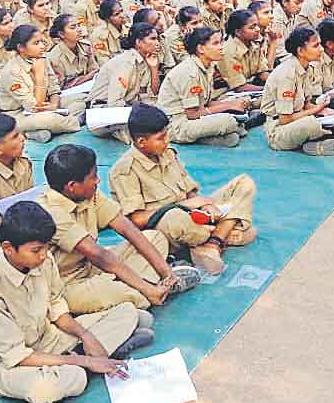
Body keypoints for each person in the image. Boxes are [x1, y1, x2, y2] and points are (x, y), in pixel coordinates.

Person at [0, 201, 150, 403]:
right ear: (8, 249)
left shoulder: (43, 258)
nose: (44, 255)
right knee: (49, 386)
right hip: (5, 364)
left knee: (130, 313)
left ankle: (86, 357)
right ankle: (89, 362)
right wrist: (82, 360)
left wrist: (85, 335)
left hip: (47, 338)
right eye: (36, 250)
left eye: (47, 247)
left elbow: (56, 306)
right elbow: (17, 355)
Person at [35, 144, 199, 315]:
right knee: (133, 294)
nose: (98, 181)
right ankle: (148, 290)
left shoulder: (88, 193)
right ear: (72, 186)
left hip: (91, 267)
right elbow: (98, 255)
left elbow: (128, 230)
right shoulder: (50, 211)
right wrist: (146, 288)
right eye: (93, 177)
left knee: (154, 238)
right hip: (67, 284)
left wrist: (166, 271)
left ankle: (156, 285)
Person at [109, 104, 257, 275]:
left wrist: (206, 206)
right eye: (161, 137)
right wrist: (186, 205)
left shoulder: (168, 154)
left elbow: (190, 191)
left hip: (194, 217)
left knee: (244, 183)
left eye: (167, 134)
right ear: (142, 142)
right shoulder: (124, 171)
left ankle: (211, 243)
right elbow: (136, 220)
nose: (167, 140)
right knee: (176, 218)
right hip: (166, 228)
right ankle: (222, 234)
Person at [261, 28, 334, 156]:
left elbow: (306, 103)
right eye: (316, 46)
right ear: (300, 51)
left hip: (297, 117)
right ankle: (324, 137)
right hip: (279, 129)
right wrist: (317, 109)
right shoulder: (287, 74)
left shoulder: (307, 67)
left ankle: (318, 140)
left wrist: (324, 111)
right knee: (311, 124)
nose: (322, 49)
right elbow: (285, 119)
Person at [0, 25, 82, 143]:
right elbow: (34, 107)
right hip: (17, 114)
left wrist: (54, 104)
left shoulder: (41, 58)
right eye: (36, 43)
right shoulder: (12, 71)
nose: (42, 46)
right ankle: (76, 122)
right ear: (21, 48)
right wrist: (39, 75)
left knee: (81, 99)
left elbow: (54, 87)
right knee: (51, 119)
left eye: (42, 42)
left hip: (45, 104)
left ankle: (37, 131)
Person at [156, 27, 247, 146]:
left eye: (221, 42)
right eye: (215, 43)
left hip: (194, 116)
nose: (221, 47)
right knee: (229, 121)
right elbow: (192, 113)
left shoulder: (207, 67)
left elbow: (205, 103)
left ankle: (214, 134)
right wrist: (229, 106)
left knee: (236, 109)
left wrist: (234, 104)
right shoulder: (190, 72)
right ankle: (209, 135)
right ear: (200, 49)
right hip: (177, 124)